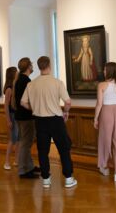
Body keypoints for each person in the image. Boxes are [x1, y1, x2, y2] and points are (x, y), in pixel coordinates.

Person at [21, 56, 77, 188]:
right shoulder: (57, 82)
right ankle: (68, 178)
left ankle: (46, 178)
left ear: (39, 67)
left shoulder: (31, 84)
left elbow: (23, 102)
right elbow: (68, 102)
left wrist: (33, 108)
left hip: (40, 121)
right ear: (49, 65)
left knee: (43, 150)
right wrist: (66, 112)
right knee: (63, 149)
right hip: (56, 120)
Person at [94, 62, 116, 182]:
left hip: (106, 111)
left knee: (104, 140)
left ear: (110, 71)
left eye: (105, 70)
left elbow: (99, 104)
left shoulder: (102, 85)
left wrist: (95, 118)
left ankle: (104, 167)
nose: (104, 72)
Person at [14, 57, 40, 178]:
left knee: (26, 142)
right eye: (31, 64)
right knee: (26, 143)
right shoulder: (25, 81)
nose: (32, 66)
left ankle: (29, 166)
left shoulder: (20, 80)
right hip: (26, 117)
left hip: (21, 116)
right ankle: (23, 170)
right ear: (28, 67)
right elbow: (26, 101)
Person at [3, 67, 19, 170]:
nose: (18, 73)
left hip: (17, 115)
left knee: (18, 139)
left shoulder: (14, 86)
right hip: (12, 116)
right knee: (12, 140)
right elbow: (5, 105)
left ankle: (16, 160)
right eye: (16, 72)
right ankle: (6, 162)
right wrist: (8, 120)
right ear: (13, 74)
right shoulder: (9, 88)